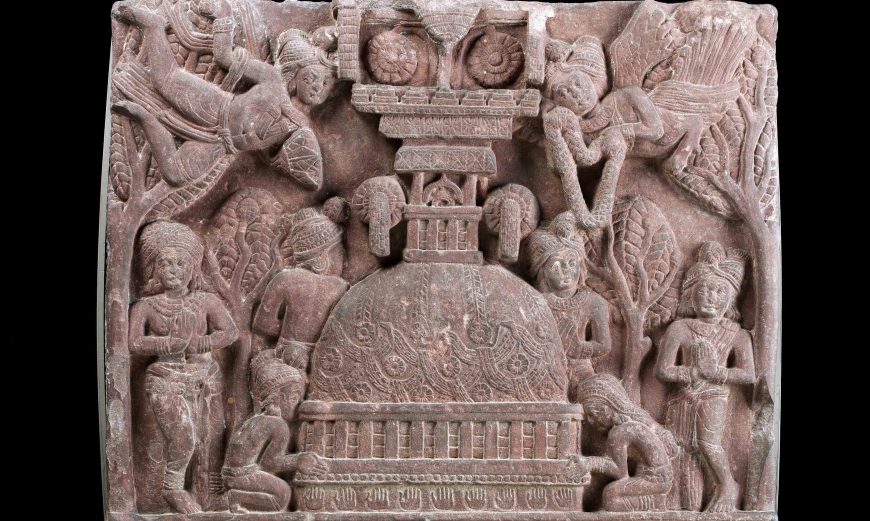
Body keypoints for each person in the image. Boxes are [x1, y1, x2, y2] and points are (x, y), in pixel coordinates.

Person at [110, 0, 336, 189]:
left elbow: (306, 174)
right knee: (164, 79)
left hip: (221, 144)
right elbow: (224, 57)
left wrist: (283, 158)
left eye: (327, 84)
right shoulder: (272, 79)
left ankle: (142, 116)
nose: (318, 87)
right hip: (215, 108)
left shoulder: (301, 127)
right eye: (315, 77)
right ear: (295, 70)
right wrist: (224, 16)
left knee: (175, 174)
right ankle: (153, 26)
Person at [128, 221, 239, 513]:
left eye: (180, 264)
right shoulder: (146, 306)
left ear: (192, 269)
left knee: (211, 437)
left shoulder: (206, 301)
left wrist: (203, 342)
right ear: (155, 269)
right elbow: (134, 342)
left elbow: (229, 332)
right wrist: (167, 344)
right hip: (166, 378)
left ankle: (208, 495)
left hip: (205, 377)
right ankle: (172, 488)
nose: (173, 270)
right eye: (165, 264)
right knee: (183, 437)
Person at [655, 241, 755, 512]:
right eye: (705, 290)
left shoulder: (736, 334)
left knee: (708, 445)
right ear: (691, 295)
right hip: (683, 396)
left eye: (719, 291)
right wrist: (693, 371)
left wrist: (717, 373)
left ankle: (728, 486)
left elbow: (748, 374)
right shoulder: (679, 328)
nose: (711, 297)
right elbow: (663, 370)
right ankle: (684, 503)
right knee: (682, 449)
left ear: (730, 299)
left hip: (713, 395)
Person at [253, 198, 350, 373]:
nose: (345, 262)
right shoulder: (341, 287)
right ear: (322, 258)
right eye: (339, 254)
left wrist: (290, 333)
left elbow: (263, 325)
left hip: (285, 355)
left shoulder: (285, 278)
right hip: (325, 361)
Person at [222, 355, 328, 512]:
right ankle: (235, 498)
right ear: (277, 398)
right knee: (283, 495)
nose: (299, 404)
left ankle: (235, 496)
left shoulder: (255, 419)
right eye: (294, 398)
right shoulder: (278, 425)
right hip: (242, 476)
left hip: (229, 475)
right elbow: (269, 463)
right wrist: (298, 461)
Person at [526, 221, 611, 396]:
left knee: (595, 392)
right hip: (545, 369)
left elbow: (604, 345)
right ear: (542, 271)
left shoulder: (594, 302)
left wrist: (578, 348)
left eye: (571, 263)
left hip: (581, 370)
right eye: (556, 266)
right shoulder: (536, 302)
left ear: (581, 267)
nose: (565, 271)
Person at [575, 374, 677, 512]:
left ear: (606, 409)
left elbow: (620, 473)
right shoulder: (626, 427)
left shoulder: (619, 433)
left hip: (655, 481)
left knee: (610, 496)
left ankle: (655, 503)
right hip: (661, 478)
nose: (591, 421)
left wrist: (590, 463)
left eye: (592, 414)